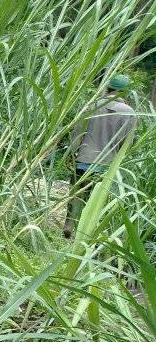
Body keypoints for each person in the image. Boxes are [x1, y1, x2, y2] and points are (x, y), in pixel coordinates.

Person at [63, 74, 137, 238]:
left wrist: (71, 154)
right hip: (107, 165)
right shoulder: (129, 112)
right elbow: (127, 142)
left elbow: (78, 133)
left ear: (107, 88)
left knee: (76, 193)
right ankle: (84, 231)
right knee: (94, 200)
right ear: (124, 92)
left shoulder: (93, 106)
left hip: (84, 159)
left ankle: (69, 224)